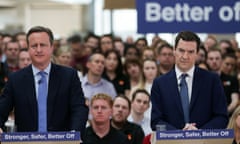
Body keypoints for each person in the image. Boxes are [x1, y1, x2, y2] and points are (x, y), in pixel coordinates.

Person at [0, 26, 89, 134]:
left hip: (62, 141)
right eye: (34, 46)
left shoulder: (68, 76)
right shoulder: (16, 79)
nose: (38, 50)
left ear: (52, 48)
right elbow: (2, 109)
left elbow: (79, 108)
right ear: (28, 49)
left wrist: (75, 134)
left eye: (42, 45)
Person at [151, 31, 228, 131]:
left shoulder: (212, 80)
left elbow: (222, 117)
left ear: (197, 53)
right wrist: (179, 135)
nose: (185, 56)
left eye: (191, 52)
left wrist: (199, 133)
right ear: (174, 50)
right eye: (181, 51)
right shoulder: (160, 84)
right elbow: (156, 122)